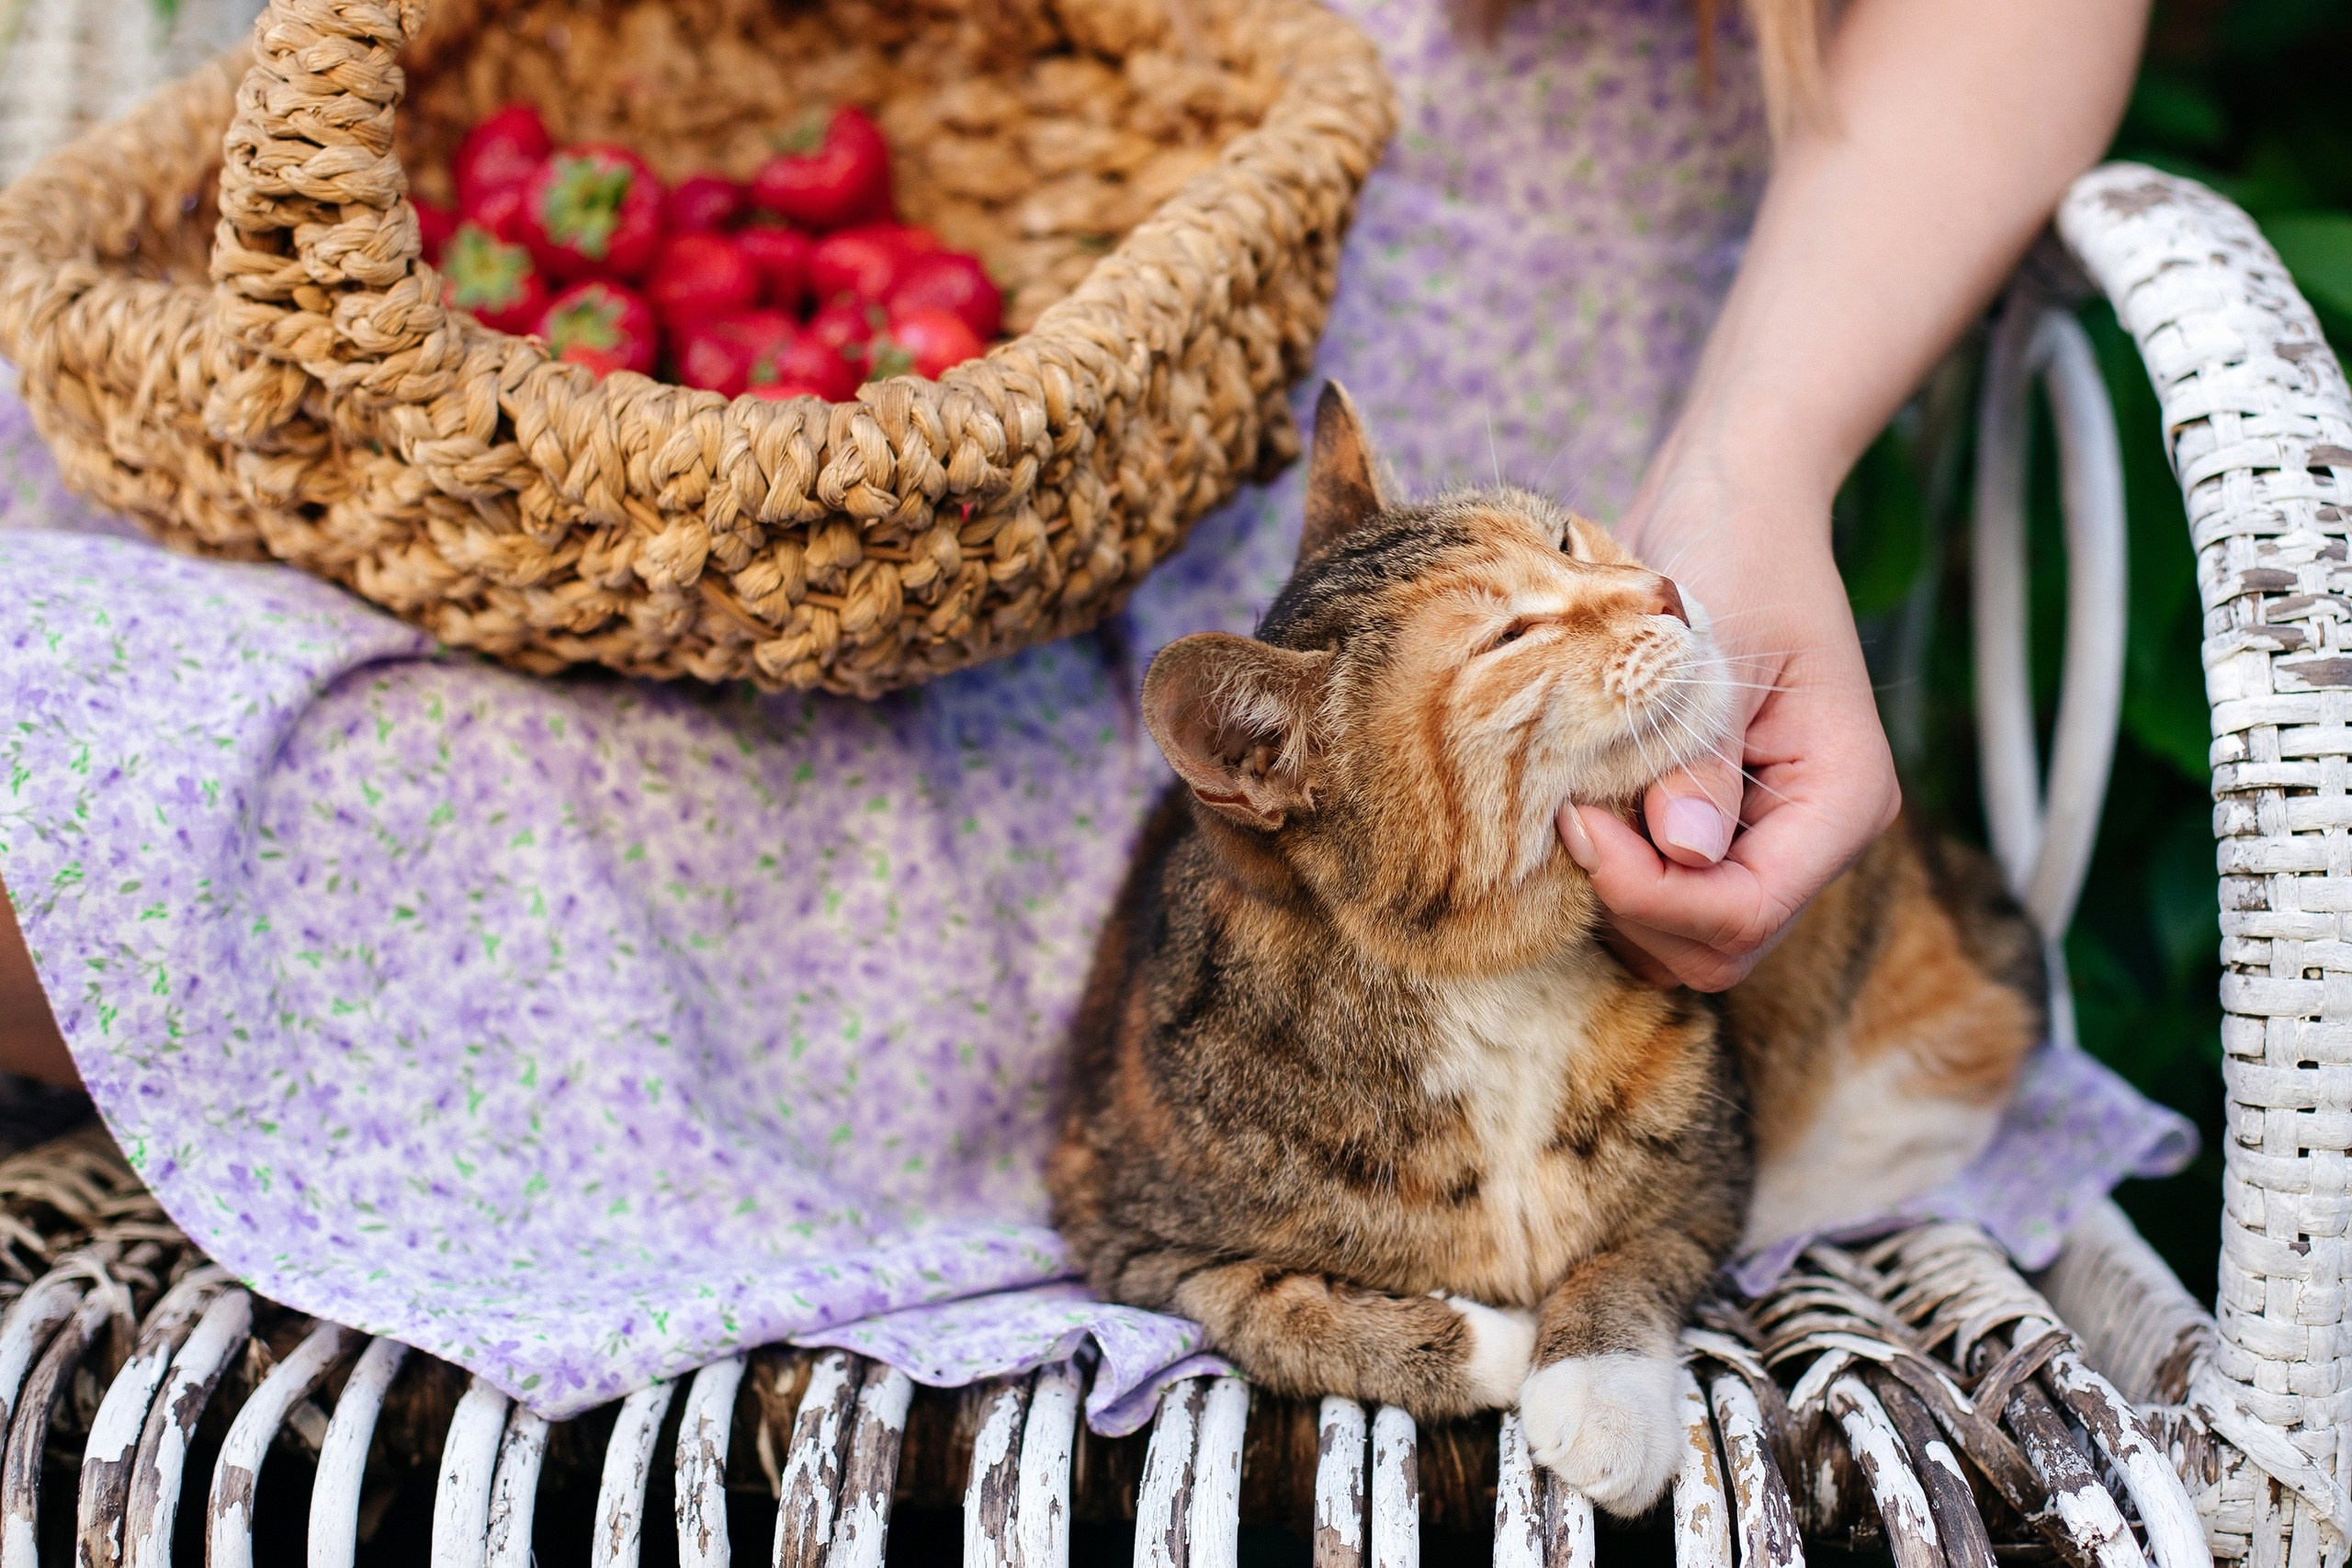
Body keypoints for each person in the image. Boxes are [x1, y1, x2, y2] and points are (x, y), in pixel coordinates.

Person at [0, 0, 2158, 1416]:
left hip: (1414, 628)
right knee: (86, 693)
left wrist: (1743, 473)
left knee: (232, 799)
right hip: (827, 457)